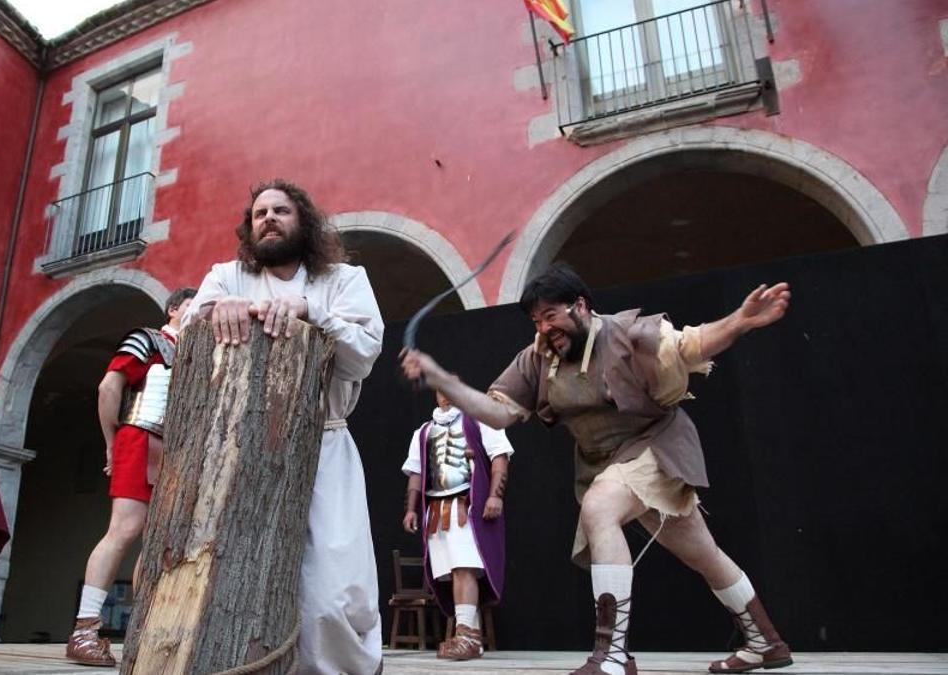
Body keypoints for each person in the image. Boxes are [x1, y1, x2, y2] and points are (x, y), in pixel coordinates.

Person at [400, 263, 793, 675]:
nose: (544, 327)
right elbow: (496, 414)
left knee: (600, 507)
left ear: (581, 306)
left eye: (551, 315)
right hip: (604, 462)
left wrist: (740, 321)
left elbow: (689, 346)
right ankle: (766, 641)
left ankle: (614, 655)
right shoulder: (537, 358)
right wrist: (439, 376)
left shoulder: (627, 335)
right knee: (703, 553)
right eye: (536, 320)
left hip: (657, 446)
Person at [183, 179, 384, 675]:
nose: (269, 218)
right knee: (235, 578)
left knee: (331, 590)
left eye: (281, 210)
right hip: (238, 450)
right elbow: (185, 333)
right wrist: (217, 311)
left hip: (324, 443)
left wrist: (309, 311)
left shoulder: (343, 280)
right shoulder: (226, 276)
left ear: (305, 221)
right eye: (259, 213)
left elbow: (362, 355)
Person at [66, 287, 197, 667]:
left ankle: (143, 629)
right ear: (173, 309)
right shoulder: (150, 340)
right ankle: (84, 629)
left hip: (174, 450)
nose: (199, 311)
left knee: (156, 540)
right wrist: (111, 442)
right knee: (124, 529)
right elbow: (109, 387)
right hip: (139, 436)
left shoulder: (197, 355)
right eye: (192, 305)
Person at [401, 388, 513, 660]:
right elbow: (416, 473)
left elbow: (500, 457)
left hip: (466, 505)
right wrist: (411, 509)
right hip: (437, 511)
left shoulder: (480, 419)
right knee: (452, 572)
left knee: (464, 567)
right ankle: (470, 636)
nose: (447, 396)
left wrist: (494, 496)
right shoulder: (424, 431)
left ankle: (465, 636)